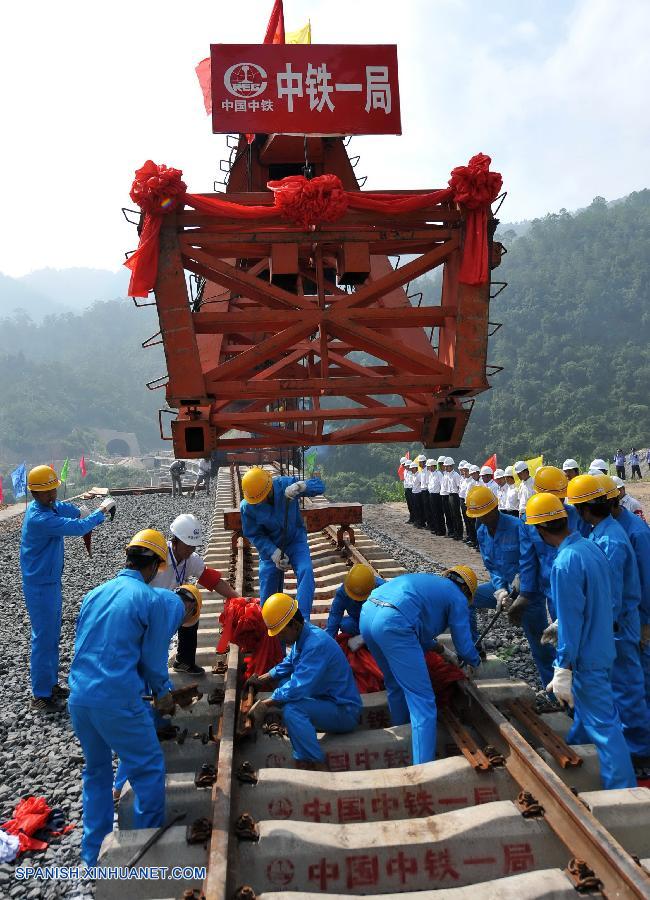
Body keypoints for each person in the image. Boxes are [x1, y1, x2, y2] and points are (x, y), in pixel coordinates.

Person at [68, 530, 198, 866]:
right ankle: (142, 856)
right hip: (116, 699)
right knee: (148, 768)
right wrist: (165, 693)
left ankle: (93, 854)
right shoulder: (152, 599)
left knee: (96, 771)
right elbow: (154, 662)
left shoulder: (94, 594)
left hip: (80, 697)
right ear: (156, 565)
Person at [524, 493, 636, 789]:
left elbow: (571, 624)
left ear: (540, 530)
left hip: (587, 658)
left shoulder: (564, 562)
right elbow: (606, 599)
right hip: (603, 647)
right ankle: (576, 761)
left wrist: (563, 667)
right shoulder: (590, 547)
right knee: (587, 717)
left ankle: (623, 791)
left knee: (605, 727)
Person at [566, 474, 650, 767]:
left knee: (629, 688)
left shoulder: (616, 538)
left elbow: (612, 594)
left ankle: (639, 751)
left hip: (620, 624)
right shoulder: (602, 532)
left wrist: (596, 626)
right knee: (618, 686)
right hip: (614, 623)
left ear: (585, 509)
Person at [359, 568, 481, 765]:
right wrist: (475, 661)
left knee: (395, 685)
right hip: (392, 622)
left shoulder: (431, 584)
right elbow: (464, 645)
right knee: (422, 701)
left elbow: (419, 629)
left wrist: (442, 651)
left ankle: (403, 733)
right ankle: (423, 766)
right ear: (468, 592)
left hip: (367, 615)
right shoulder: (458, 597)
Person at [20, 465, 115, 712]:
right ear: (34, 494)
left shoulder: (47, 506)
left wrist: (80, 509)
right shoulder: (40, 518)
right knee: (43, 638)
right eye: (47, 492)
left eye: (53, 490)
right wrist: (100, 512)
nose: (52, 495)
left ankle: (50, 684)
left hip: (49, 581)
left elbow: (67, 510)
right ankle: (40, 694)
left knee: (51, 636)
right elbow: (78, 528)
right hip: (40, 585)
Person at [245, 592, 361, 770]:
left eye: (281, 633)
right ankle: (305, 733)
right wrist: (262, 679)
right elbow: (289, 663)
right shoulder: (304, 635)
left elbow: (298, 688)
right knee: (283, 683)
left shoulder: (316, 644)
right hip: (325, 699)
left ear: (294, 624)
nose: (279, 638)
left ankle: (312, 762)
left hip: (344, 710)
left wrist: (266, 704)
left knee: (293, 710)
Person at [465, 485, 555, 687]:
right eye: (478, 515)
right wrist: (500, 590)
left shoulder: (517, 526)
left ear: (495, 508)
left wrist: (519, 591)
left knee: (540, 645)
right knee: (466, 597)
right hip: (504, 589)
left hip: (528, 594)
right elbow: (492, 565)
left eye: (484, 514)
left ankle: (555, 689)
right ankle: (472, 647)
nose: (482, 519)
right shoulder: (482, 531)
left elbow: (530, 562)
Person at [150, 513, 238, 675]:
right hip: (147, 607)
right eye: (187, 546)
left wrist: (237, 598)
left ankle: (184, 661)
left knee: (192, 599)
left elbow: (213, 581)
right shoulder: (158, 556)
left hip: (167, 606)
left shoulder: (191, 559)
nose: (191, 550)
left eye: (193, 546)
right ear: (175, 540)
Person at [240, 467, 324, 619]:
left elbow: (320, 486)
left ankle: (301, 619)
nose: (261, 502)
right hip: (271, 550)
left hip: (295, 540)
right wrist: (273, 553)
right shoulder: (247, 507)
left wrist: (301, 486)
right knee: (267, 596)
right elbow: (254, 534)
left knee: (306, 570)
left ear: (270, 486)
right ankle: (271, 631)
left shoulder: (286, 484)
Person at [610, 485, 650, 703]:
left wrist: (646, 622)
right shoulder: (614, 526)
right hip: (625, 613)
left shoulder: (637, 531)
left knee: (642, 673)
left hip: (639, 614)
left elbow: (647, 580)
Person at [325, 564, 385, 647]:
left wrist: (362, 639)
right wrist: (328, 642)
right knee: (346, 625)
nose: (356, 600)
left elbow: (390, 620)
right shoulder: (343, 591)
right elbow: (335, 615)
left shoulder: (384, 590)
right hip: (358, 622)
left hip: (378, 625)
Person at [441, 457, 463, 540]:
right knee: (452, 515)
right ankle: (454, 532)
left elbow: (459, 487)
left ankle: (459, 533)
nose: (445, 468)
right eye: (445, 466)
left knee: (456, 515)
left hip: (455, 495)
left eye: (447, 466)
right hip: (449, 495)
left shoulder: (455, 475)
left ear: (451, 466)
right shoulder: (447, 475)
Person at [459, 462, 476, 547]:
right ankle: (469, 536)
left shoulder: (472, 482)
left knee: (471, 522)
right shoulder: (464, 480)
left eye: (466, 471)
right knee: (466, 521)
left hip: (470, 504)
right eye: (463, 471)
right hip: (463, 501)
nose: (464, 473)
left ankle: (473, 539)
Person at [401, 457, 414, 524]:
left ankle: (414, 518)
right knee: (409, 505)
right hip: (407, 489)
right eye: (403, 465)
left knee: (413, 505)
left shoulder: (412, 471)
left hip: (412, 489)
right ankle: (411, 518)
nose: (403, 466)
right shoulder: (405, 471)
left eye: (404, 464)